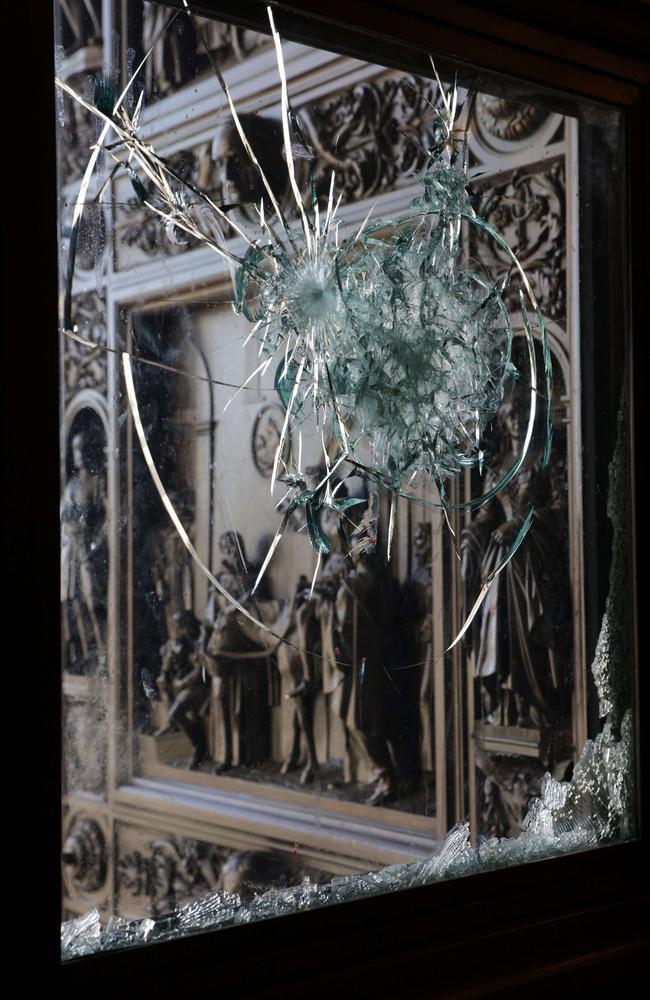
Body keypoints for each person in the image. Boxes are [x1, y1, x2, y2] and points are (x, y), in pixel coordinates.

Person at [460, 388, 570, 729]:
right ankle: (506, 702)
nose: (517, 422)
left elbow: (562, 510)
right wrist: (469, 541)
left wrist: (521, 525)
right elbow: (486, 515)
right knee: (492, 596)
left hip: (535, 559)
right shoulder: (498, 468)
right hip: (500, 562)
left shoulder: (544, 459)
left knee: (509, 583)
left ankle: (534, 702)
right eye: (511, 415)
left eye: (523, 414)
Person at [61, 428, 107, 672]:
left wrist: (93, 546)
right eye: (74, 449)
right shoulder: (72, 485)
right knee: (77, 604)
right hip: (73, 554)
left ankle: (102, 652)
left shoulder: (98, 481)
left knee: (94, 603)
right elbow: (64, 516)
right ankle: (88, 654)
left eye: (82, 448)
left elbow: (105, 518)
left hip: (91, 554)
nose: (77, 454)